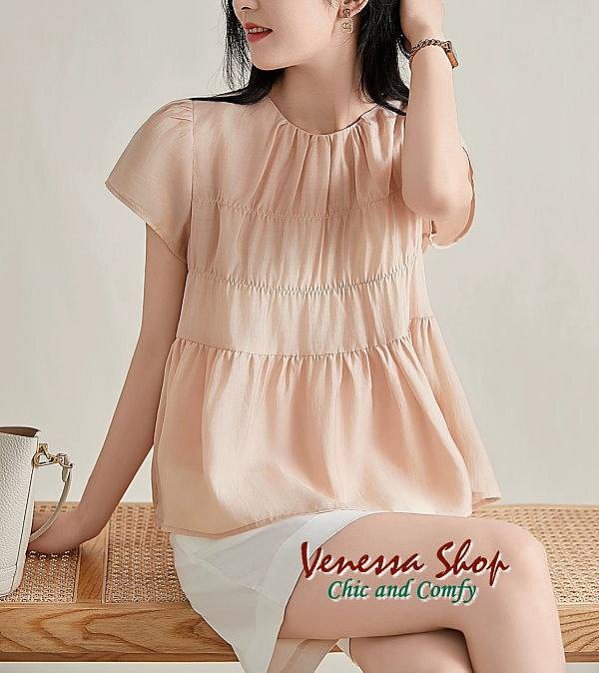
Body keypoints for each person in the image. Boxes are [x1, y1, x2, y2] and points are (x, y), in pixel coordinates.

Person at [29, 0, 567, 671]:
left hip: (393, 524)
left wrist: (427, 34)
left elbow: (434, 196)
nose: (243, 3)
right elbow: (155, 352)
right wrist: (87, 517)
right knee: (507, 565)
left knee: (432, 664)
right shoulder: (193, 142)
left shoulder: (408, 145)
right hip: (255, 536)